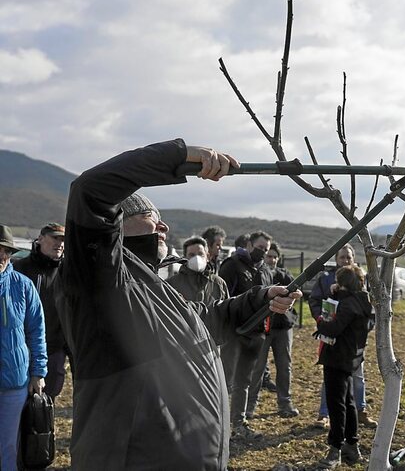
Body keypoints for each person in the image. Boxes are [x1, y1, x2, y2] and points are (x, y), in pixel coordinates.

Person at [59, 140, 300, 469]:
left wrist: (261, 298)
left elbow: (204, 320)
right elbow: (89, 189)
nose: (163, 226)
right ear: (114, 224)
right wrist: (183, 156)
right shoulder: (100, 280)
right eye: (149, 217)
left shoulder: (153, 285)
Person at [309, 244, 376, 429]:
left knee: (357, 376)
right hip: (332, 335)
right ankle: (324, 414)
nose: (345, 260)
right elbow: (315, 300)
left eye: (349, 257)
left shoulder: (360, 278)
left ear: (353, 258)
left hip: (353, 338)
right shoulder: (326, 279)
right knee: (331, 379)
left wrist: (366, 327)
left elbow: (368, 306)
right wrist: (320, 319)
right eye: (342, 258)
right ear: (336, 259)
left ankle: (360, 411)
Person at [315, 265, 374, 469]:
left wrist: (321, 323)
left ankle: (335, 448)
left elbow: (333, 328)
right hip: (351, 358)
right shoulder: (362, 302)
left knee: (336, 404)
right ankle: (352, 443)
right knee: (348, 401)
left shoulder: (347, 305)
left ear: (343, 283)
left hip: (337, 357)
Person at [218, 230, 275, 438]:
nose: (262, 252)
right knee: (225, 380)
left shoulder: (266, 271)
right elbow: (222, 299)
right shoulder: (232, 266)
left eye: (266, 250)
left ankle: (238, 424)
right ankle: (218, 422)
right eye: (260, 248)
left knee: (244, 380)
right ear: (249, 244)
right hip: (233, 332)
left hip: (256, 333)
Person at [0, 224, 47, 471]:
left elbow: (37, 332)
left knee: (8, 445)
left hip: (14, 381)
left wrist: (38, 372)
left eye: (5, 251)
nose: (1, 256)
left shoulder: (23, 286)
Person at [14, 222, 70, 400]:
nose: (60, 243)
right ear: (40, 239)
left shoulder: (68, 272)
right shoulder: (19, 269)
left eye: (63, 240)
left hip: (54, 349)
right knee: (18, 401)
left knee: (46, 403)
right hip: (20, 349)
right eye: (55, 238)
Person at [247, 242, 300, 418]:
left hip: (283, 328)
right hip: (262, 328)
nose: (272, 259)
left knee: (285, 367)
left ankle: (285, 403)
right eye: (269, 256)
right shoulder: (258, 275)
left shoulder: (285, 276)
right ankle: (249, 407)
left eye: (275, 256)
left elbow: (295, 292)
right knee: (257, 368)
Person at [167, 236, 229, 305]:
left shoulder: (219, 283)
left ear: (207, 257)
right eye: (191, 255)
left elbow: (226, 311)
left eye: (200, 254)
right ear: (184, 258)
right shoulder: (172, 284)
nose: (196, 258)